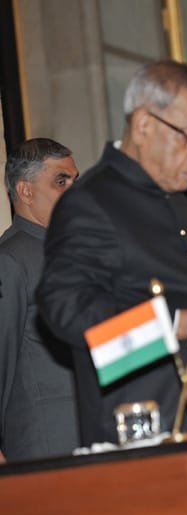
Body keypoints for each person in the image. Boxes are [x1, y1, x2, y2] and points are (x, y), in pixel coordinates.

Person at [37, 60, 187, 446]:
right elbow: (64, 311)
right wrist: (174, 323)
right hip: (151, 439)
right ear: (143, 125)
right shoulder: (92, 202)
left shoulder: (180, 204)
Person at [0, 138, 80, 461]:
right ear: (26, 191)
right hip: (43, 444)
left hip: (92, 437)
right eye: (61, 182)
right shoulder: (10, 260)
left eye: (76, 181)